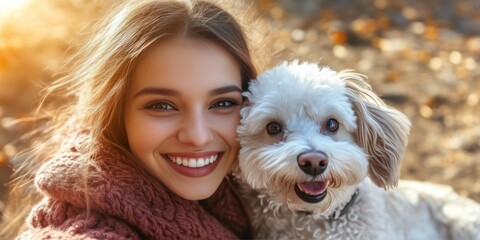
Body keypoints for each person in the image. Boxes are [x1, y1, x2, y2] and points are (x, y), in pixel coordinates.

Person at [0, 0, 265, 238]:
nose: (197, 136)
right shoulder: (86, 225)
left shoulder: (269, 189)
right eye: (162, 106)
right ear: (114, 111)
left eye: (223, 103)